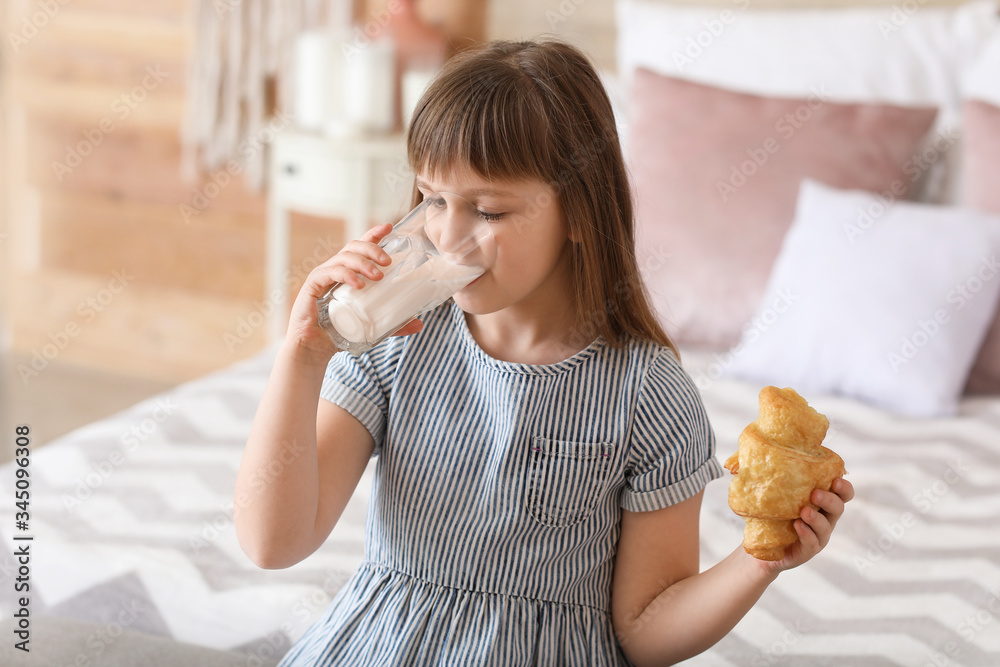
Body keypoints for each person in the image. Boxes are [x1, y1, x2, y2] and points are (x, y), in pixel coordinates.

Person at [234, 38, 854, 666]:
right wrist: (304, 356)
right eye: (433, 199)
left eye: (489, 211)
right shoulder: (394, 347)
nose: (448, 237)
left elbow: (646, 632)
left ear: (581, 212)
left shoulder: (647, 395)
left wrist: (761, 557)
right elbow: (272, 543)